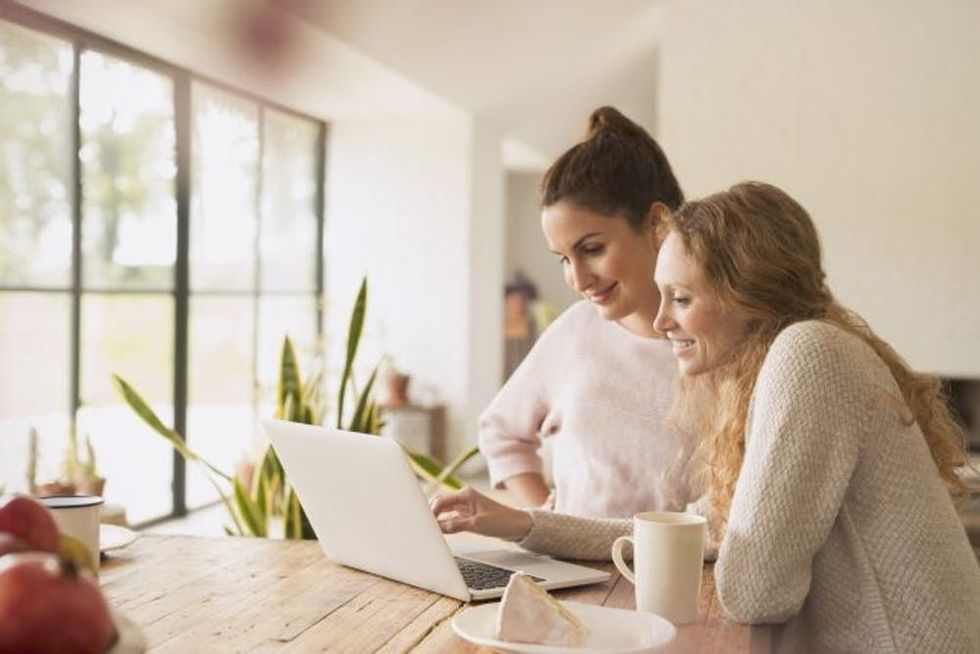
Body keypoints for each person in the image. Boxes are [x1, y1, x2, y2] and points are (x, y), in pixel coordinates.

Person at [434, 182, 980, 653]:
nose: (661, 318)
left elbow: (756, 590)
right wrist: (525, 525)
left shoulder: (808, 355)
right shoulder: (786, 360)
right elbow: (698, 528)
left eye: (681, 297)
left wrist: (727, 533)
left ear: (744, 291)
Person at [479, 106, 691, 518]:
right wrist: (548, 519)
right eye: (563, 257)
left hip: (681, 579)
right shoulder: (575, 331)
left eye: (591, 249)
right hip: (577, 580)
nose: (576, 279)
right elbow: (500, 432)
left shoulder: (721, 344)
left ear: (658, 224)